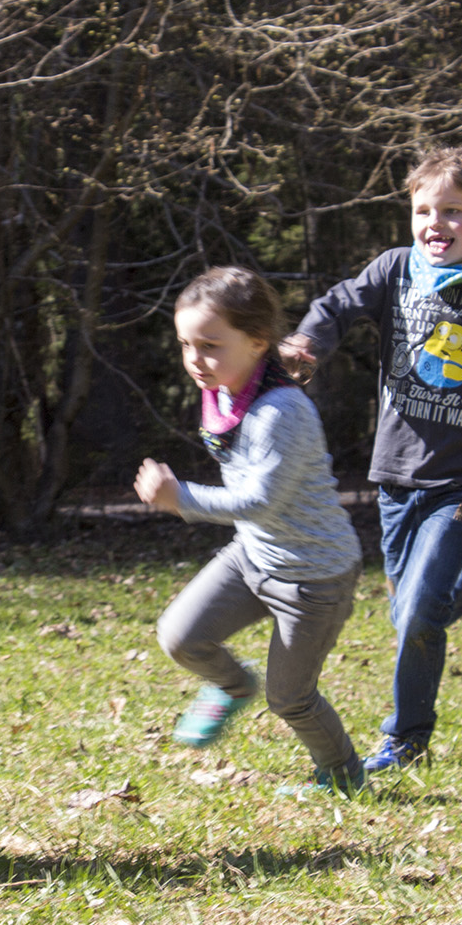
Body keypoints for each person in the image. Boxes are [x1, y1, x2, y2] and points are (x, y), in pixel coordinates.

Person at [281, 144, 462, 775]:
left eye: (454, 212)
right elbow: (336, 306)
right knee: (408, 614)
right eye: (424, 211)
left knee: (417, 612)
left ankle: (406, 736)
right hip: (394, 477)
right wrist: (308, 340)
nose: (435, 224)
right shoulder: (393, 271)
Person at [135, 267, 368, 794]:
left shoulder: (280, 411)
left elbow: (259, 500)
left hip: (314, 577)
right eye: (185, 344)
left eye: (210, 345)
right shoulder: (227, 384)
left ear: (257, 342)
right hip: (254, 557)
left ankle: (343, 774)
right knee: (180, 636)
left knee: (291, 699)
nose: (196, 359)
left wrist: (180, 499)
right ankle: (232, 685)